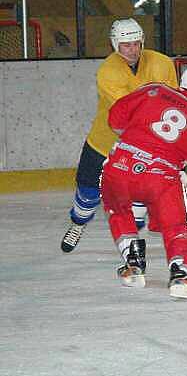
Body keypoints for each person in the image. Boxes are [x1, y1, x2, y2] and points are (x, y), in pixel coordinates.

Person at [101, 64, 187, 300]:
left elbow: (115, 118)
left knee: (117, 209)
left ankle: (133, 265)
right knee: (177, 224)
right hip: (160, 177)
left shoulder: (155, 89)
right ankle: (180, 272)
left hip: (119, 165)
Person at [61, 18, 178, 253]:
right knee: (87, 193)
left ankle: (133, 248)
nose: (133, 50)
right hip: (105, 142)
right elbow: (131, 113)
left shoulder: (162, 63)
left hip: (142, 147)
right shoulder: (108, 71)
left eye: (136, 43)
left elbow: (173, 103)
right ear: (115, 45)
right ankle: (78, 223)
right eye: (126, 45)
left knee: (135, 199)